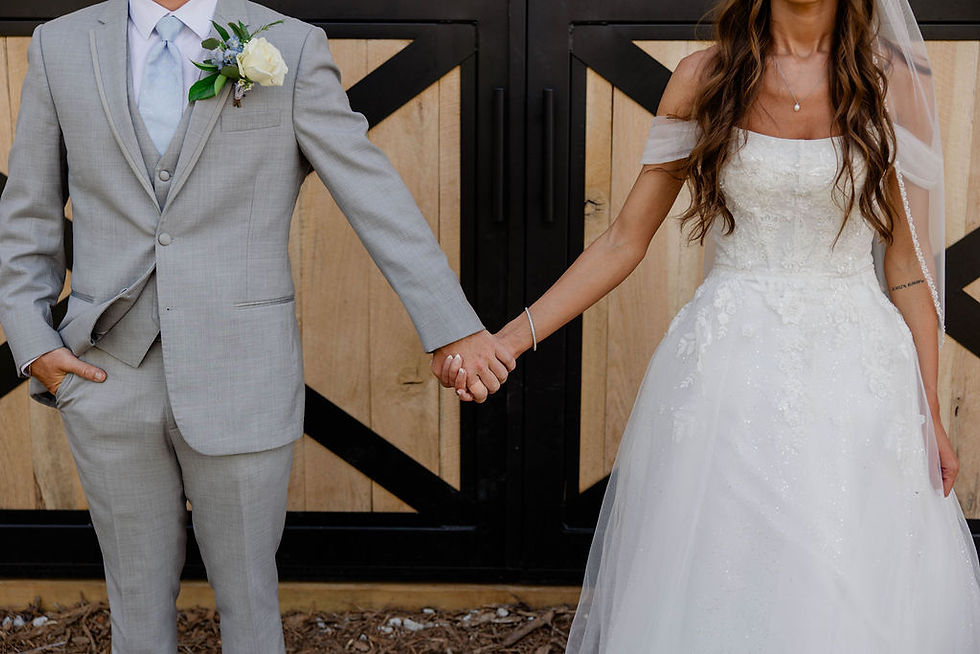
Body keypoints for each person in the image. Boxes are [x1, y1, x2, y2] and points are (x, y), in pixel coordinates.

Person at [447, 0, 980, 650]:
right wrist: (508, 339)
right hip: (730, 368)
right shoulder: (704, 76)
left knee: (848, 567)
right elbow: (621, 241)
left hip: (857, 373)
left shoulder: (893, 82)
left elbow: (907, 266)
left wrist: (930, 409)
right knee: (727, 558)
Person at [0, 0, 512, 651]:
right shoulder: (59, 44)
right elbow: (29, 207)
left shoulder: (289, 47)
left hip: (243, 370)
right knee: (132, 597)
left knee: (247, 594)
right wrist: (34, 341)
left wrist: (451, 326)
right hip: (105, 375)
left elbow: (372, 189)